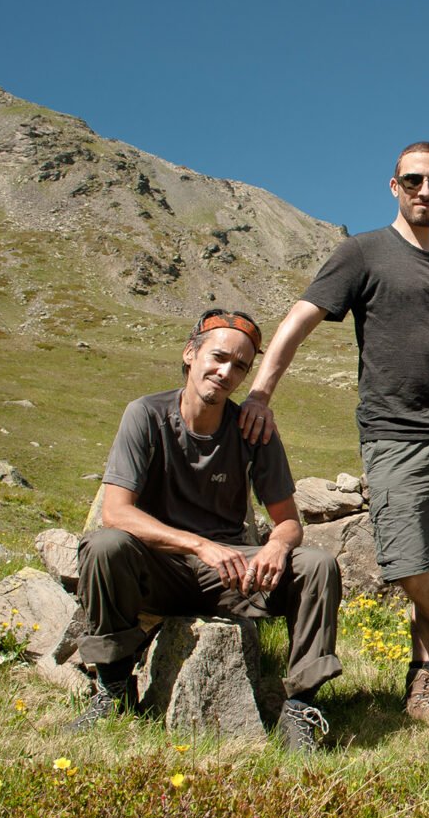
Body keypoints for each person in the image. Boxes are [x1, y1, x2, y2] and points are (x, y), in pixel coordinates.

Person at [238, 142, 429, 722]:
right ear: (394, 186)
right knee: (407, 565)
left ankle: (425, 679)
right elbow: (299, 319)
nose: (425, 191)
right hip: (393, 434)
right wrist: (261, 392)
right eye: (413, 180)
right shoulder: (362, 253)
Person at [74, 310, 343, 751]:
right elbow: (117, 513)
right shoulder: (145, 415)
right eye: (218, 357)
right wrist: (201, 546)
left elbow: (289, 520)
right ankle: (114, 688)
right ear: (190, 353)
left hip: (232, 575)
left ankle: (299, 709)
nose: (226, 372)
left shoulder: (253, 429)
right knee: (105, 546)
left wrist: (276, 545)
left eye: (240, 366)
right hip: (158, 568)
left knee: (317, 565)